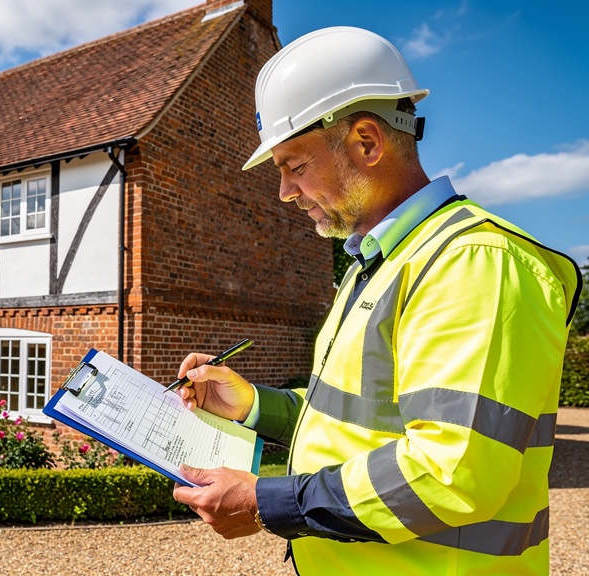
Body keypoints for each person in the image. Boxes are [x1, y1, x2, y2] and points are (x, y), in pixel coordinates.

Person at [170, 26, 583, 575]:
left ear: (367, 141)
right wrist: (251, 406)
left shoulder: (471, 260)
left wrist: (264, 500)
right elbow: (361, 426)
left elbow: (451, 471)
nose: (285, 192)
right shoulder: (384, 261)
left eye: (295, 165)